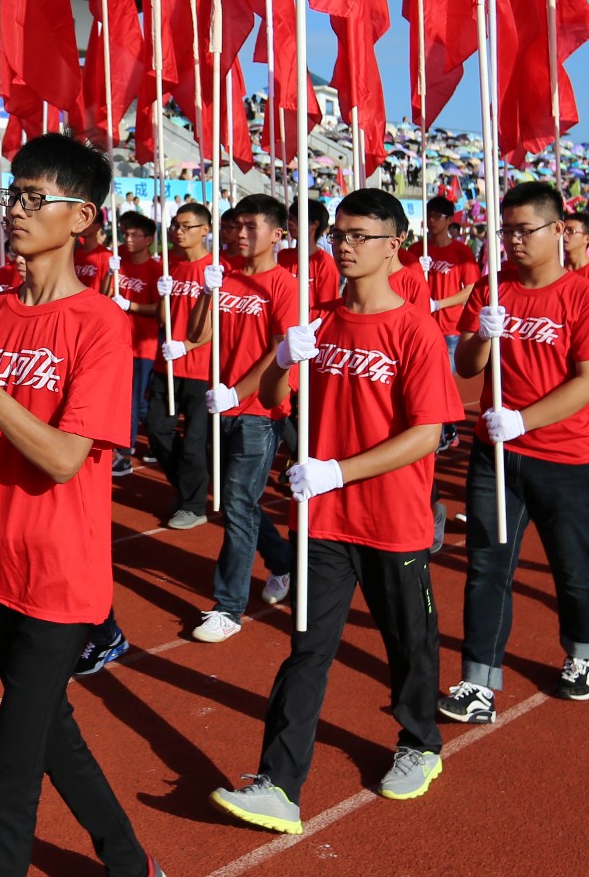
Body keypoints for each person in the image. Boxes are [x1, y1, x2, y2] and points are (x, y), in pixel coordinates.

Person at [0, 135, 159, 877]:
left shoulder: (101, 324)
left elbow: (63, 456)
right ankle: (128, 860)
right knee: (50, 730)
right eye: (13, 195)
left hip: (58, 573)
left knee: (9, 772)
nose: (16, 210)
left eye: (33, 198)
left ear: (81, 216)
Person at [210, 188, 463, 834]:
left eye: (360, 234)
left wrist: (338, 469)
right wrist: (285, 360)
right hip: (323, 521)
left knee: (409, 642)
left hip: (393, 518)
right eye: (339, 234)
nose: (344, 244)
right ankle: (280, 782)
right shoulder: (317, 319)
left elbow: (427, 432)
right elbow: (273, 395)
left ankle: (419, 740)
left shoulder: (415, 329)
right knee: (306, 649)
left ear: (394, 246)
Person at [441, 180, 589, 723]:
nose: (514, 241)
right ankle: (479, 681)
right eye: (506, 230)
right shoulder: (493, 289)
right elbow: (467, 368)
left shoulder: (584, 296)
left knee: (572, 565)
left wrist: (523, 419)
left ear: (559, 230)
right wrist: (481, 336)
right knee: (488, 565)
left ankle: (583, 654)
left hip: (565, 457)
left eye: (525, 230)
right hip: (496, 458)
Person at [189, 193, 298, 643]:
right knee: (238, 500)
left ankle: (228, 606)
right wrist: (206, 293)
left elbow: (280, 350)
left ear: (276, 234)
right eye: (237, 226)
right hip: (220, 403)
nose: (240, 234)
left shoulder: (284, 285)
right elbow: (197, 336)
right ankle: (284, 560)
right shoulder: (225, 277)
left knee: (236, 502)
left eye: (251, 227)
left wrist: (239, 391)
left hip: (258, 410)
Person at [147, 201, 218, 530]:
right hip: (167, 366)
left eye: (186, 226)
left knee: (193, 441)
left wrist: (187, 346)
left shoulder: (215, 269)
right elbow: (164, 319)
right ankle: (190, 487)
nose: (178, 231)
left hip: (201, 370)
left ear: (205, 230)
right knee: (157, 430)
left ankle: (193, 504)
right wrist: (164, 295)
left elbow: (218, 325)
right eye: (175, 225)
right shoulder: (170, 266)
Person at [113, 209, 161, 476]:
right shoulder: (117, 260)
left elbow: (159, 309)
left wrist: (130, 304)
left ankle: (125, 449)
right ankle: (152, 433)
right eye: (125, 233)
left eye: (135, 234)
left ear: (149, 239)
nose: (128, 239)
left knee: (131, 398)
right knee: (130, 399)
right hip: (117, 341)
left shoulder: (154, 269)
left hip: (142, 345)